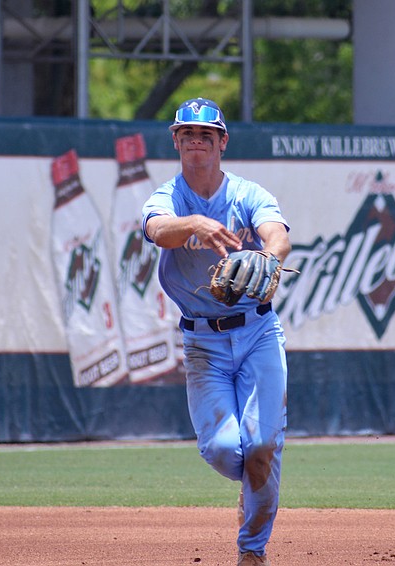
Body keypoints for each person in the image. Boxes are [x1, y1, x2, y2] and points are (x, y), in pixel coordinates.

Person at [141, 98, 291, 566]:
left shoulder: (246, 193)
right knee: (228, 451)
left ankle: (252, 551)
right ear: (177, 142)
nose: (197, 142)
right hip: (204, 343)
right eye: (188, 135)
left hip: (258, 333)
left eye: (207, 134)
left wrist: (269, 256)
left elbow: (277, 232)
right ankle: (251, 486)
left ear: (222, 142)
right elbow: (156, 228)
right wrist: (196, 225)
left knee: (262, 447)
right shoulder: (169, 196)